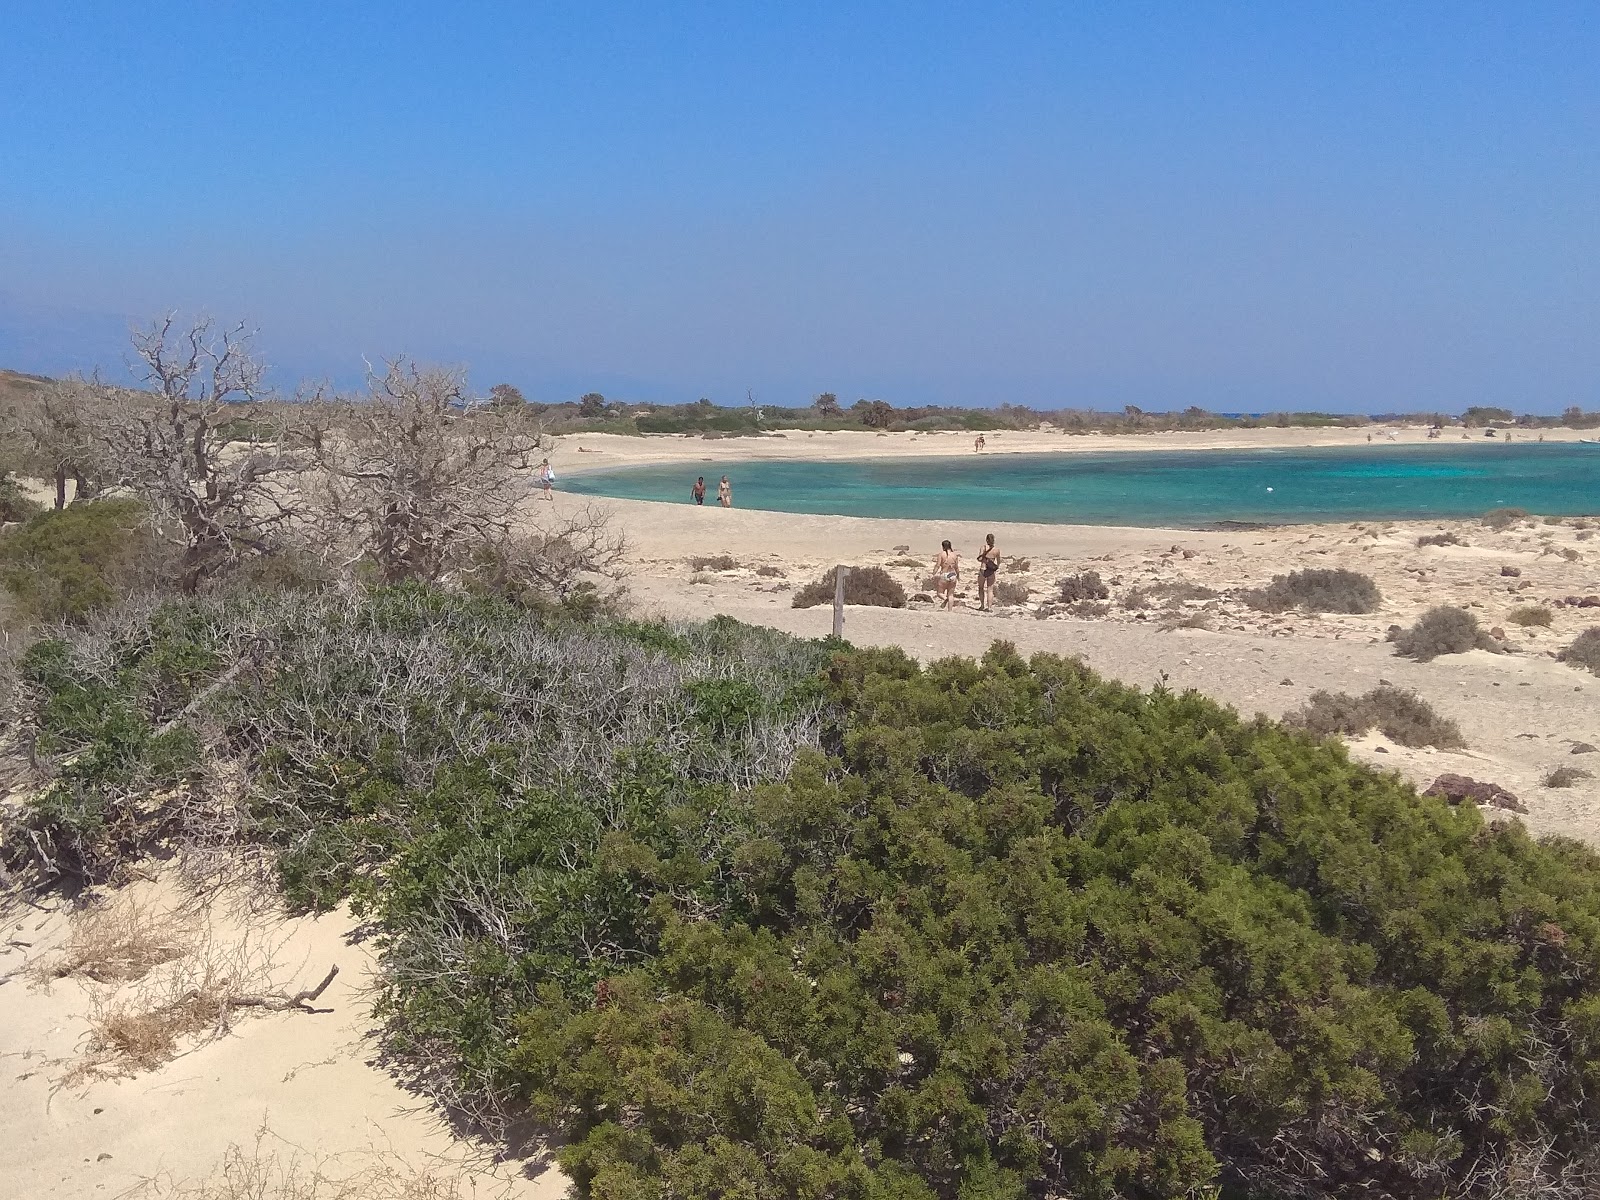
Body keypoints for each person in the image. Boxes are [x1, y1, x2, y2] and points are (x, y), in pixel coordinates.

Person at [933, 540, 960, 610]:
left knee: (939, 593)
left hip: (945, 574)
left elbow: (937, 565)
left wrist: (933, 573)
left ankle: (945, 598)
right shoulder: (954, 555)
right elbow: (956, 567)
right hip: (952, 574)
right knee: (951, 594)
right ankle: (950, 611)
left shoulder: (941, 554)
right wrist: (958, 576)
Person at [976, 533, 999, 610]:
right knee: (990, 589)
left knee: (981, 588)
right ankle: (989, 607)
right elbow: (998, 561)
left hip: (983, 569)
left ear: (986, 540)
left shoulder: (983, 548)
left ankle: (982, 605)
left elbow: (979, 559)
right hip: (991, 570)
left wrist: (985, 560)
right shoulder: (996, 550)